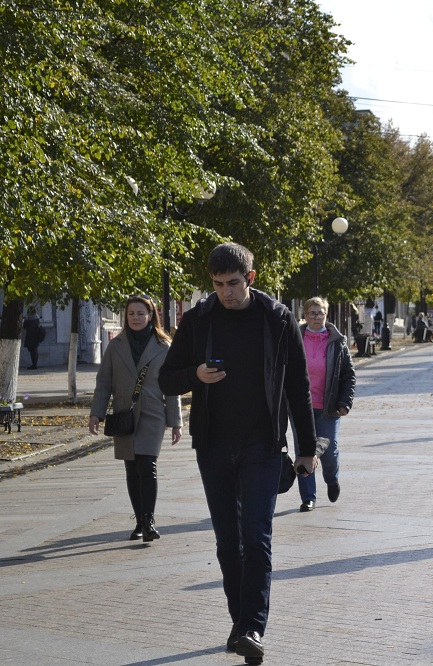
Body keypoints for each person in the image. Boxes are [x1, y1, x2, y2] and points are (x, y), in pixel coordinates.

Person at [159, 242, 318, 663]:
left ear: (250, 278)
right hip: (213, 447)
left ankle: (252, 628)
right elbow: (166, 379)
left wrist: (306, 449)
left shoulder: (277, 318)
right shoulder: (198, 319)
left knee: (256, 538)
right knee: (229, 543)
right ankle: (239, 623)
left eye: (232, 283)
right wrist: (195, 374)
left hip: (263, 446)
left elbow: (298, 386)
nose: (225, 293)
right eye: (217, 284)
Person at [88, 295, 183, 541]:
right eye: (131, 313)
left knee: (147, 465)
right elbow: (104, 382)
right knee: (132, 467)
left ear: (151, 316)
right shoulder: (115, 346)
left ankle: (149, 521)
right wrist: (96, 414)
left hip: (153, 414)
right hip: (124, 414)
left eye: (141, 313)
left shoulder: (164, 346)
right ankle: (139, 521)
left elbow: (171, 387)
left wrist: (176, 422)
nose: (136, 318)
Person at [293, 297, 355, 512]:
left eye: (320, 313)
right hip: (301, 407)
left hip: (328, 406)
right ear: (305, 315)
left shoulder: (337, 341)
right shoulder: (295, 338)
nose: (316, 317)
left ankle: (332, 479)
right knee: (303, 451)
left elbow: (348, 374)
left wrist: (344, 402)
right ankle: (308, 497)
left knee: (329, 451)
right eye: (312, 313)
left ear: (326, 315)